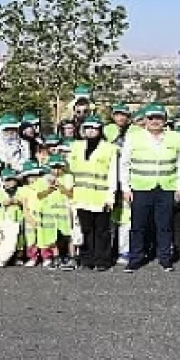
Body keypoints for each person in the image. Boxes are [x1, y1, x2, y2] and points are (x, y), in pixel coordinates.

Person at [120, 104, 180, 272]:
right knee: (138, 226)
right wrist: (125, 188)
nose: (155, 121)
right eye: (151, 118)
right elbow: (124, 164)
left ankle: (165, 258)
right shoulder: (134, 137)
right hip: (141, 187)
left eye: (159, 118)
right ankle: (135, 258)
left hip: (166, 187)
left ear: (165, 120)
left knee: (164, 225)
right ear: (145, 120)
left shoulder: (176, 137)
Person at [69, 116, 118, 271]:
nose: (90, 131)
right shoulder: (75, 146)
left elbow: (112, 174)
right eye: (88, 128)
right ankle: (86, 259)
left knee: (102, 231)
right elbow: (69, 170)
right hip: (81, 196)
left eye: (94, 128)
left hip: (100, 197)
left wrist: (111, 196)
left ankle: (102, 260)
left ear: (100, 130)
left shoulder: (109, 148)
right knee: (86, 230)